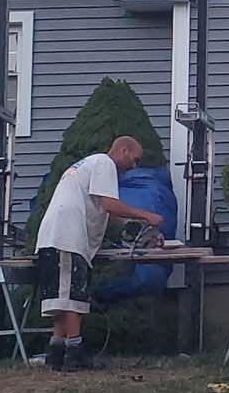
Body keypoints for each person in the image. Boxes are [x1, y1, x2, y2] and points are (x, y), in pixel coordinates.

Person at [35, 136, 166, 371]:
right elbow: (109, 205)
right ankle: (75, 354)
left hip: (54, 235)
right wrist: (147, 216)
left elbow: (109, 215)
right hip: (67, 236)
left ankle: (56, 353)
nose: (134, 167)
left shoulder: (88, 164)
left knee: (61, 298)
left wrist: (132, 229)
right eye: (134, 160)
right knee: (73, 297)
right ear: (124, 150)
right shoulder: (104, 164)